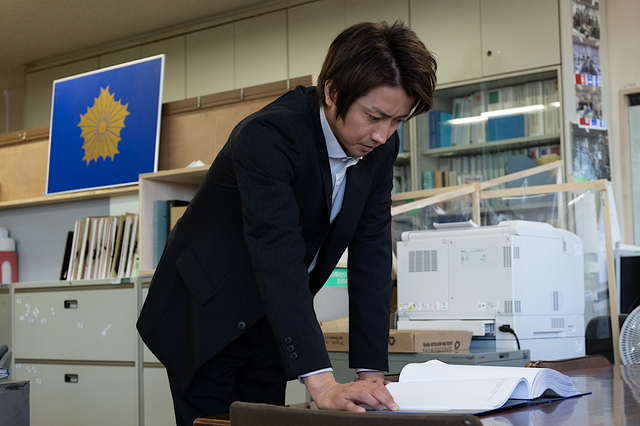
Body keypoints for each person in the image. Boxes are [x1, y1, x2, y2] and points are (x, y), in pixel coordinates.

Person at [137, 20, 437, 425]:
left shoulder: (380, 149)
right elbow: (278, 253)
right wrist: (323, 385)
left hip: (271, 315)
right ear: (332, 92)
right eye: (374, 116)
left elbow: (373, 252)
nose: (382, 135)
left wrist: (372, 376)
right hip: (205, 312)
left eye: (397, 121)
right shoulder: (268, 135)